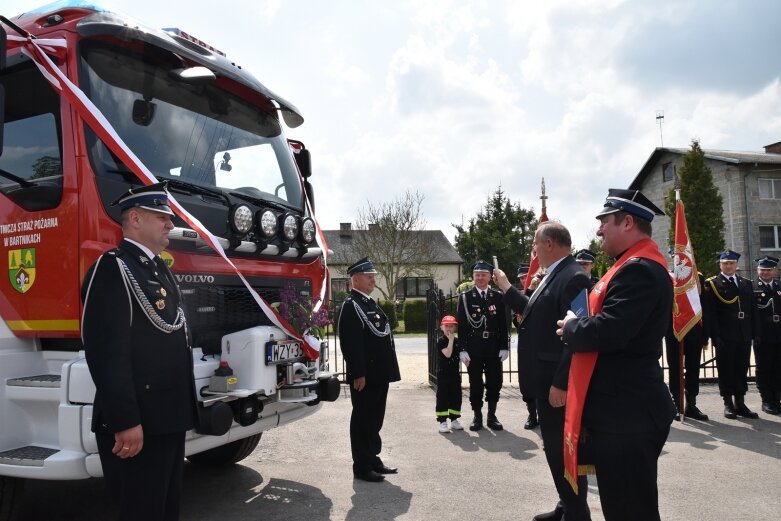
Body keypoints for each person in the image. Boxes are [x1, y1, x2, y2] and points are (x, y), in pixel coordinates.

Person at [557, 188, 677, 521]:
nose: (598, 231)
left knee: (630, 511)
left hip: (629, 416)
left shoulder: (638, 269)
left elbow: (611, 330)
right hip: (624, 411)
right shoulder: (630, 265)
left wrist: (571, 327)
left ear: (627, 222)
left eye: (604, 222)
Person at [81, 182, 197, 521]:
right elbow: (106, 352)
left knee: (166, 508)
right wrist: (126, 420)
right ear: (134, 218)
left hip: (167, 418)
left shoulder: (157, 268)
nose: (170, 225)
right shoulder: (113, 267)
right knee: (141, 510)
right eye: (161, 217)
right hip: (140, 423)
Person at [495, 221, 592, 521]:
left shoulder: (573, 277)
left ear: (549, 244)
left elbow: (578, 336)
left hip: (556, 385)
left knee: (563, 452)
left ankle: (577, 515)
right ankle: (566, 506)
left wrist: (562, 383)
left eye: (536, 244)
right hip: (544, 381)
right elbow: (535, 313)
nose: (533, 250)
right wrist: (508, 289)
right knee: (555, 451)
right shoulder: (555, 274)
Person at [338, 257, 401, 482]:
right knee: (363, 420)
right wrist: (358, 373)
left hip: (378, 374)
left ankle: (373, 459)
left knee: (375, 418)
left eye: (373, 276)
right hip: (366, 376)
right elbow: (351, 344)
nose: (373, 280)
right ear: (355, 279)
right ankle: (362, 466)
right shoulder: (351, 305)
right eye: (369, 276)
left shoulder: (368, 303)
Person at [702, 250, 760, 419]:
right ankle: (728, 403)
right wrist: (715, 335)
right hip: (725, 334)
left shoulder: (745, 283)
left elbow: (753, 311)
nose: (728, 266)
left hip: (743, 333)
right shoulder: (713, 284)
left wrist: (756, 332)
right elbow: (711, 313)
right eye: (725, 263)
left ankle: (740, 403)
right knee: (726, 369)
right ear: (720, 265)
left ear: (736, 265)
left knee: (741, 368)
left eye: (731, 263)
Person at [457, 260, 509, 431]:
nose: (480, 278)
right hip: (474, 347)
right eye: (477, 275)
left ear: (489, 277)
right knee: (476, 383)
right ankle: (477, 416)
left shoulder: (498, 297)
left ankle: (491, 416)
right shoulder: (465, 298)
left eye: (483, 274)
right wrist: (462, 349)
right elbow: (463, 326)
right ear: (473, 277)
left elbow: (503, 324)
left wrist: (504, 346)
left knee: (495, 382)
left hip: (494, 347)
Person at [663, 271, 709, 421]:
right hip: (673, 329)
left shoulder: (698, 277)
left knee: (693, 367)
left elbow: (704, 305)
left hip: (694, 328)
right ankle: (677, 403)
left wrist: (705, 333)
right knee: (675, 367)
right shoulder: (667, 277)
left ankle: (691, 404)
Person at [752, 255, 781, 414]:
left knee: (778, 367)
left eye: (769, 270)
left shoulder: (778, 286)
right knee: (764, 368)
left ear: (775, 270)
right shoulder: (752, 287)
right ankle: (767, 400)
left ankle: (777, 398)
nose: (765, 273)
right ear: (758, 270)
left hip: (778, 334)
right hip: (763, 334)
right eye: (762, 270)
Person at [515, 263, 539, 430]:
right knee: (527, 381)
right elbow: (515, 321)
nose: (525, 279)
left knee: (543, 380)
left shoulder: (545, 291)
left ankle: (544, 414)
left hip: (543, 342)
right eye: (522, 278)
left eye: (527, 276)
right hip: (526, 344)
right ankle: (532, 414)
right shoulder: (518, 295)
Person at [435, 315, 464, 433]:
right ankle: (442, 421)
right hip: (443, 375)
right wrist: (451, 340)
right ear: (441, 327)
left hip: (454, 375)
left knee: (456, 396)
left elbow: (462, 356)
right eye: (446, 326)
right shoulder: (441, 341)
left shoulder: (458, 341)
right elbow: (447, 354)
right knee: (443, 397)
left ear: (455, 328)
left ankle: (454, 420)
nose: (449, 329)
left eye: (451, 326)